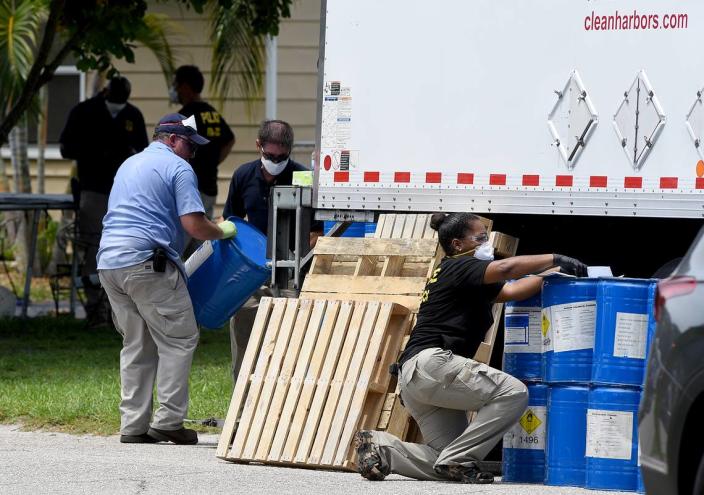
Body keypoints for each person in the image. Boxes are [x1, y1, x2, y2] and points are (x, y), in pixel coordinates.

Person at [354, 212, 588, 484]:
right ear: (457, 244)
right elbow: (506, 269)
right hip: (433, 365)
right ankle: (457, 459)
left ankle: (383, 448)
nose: (486, 243)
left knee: (445, 458)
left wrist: (551, 275)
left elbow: (512, 291)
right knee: (513, 393)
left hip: (417, 378)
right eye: (480, 238)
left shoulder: (465, 277)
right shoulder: (458, 265)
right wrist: (555, 257)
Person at [97, 113, 237, 445]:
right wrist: (221, 231)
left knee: (136, 343)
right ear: (173, 140)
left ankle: (133, 425)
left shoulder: (129, 164)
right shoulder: (178, 167)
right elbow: (194, 225)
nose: (193, 153)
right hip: (148, 263)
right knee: (180, 338)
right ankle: (169, 421)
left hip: (109, 263)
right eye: (190, 146)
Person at [222, 119, 319, 384]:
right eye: (269, 155)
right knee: (244, 335)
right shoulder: (243, 175)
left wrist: (297, 260)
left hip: (291, 271)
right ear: (258, 146)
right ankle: (242, 401)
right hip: (252, 270)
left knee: (289, 340)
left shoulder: (302, 178)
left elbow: (316, 231)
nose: (275, 161)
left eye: (282, 157)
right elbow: (232, 223)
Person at [60, 76, 148, 327]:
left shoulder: (132, 114)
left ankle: (117, 311)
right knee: (94, 248)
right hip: (94, 190)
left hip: (126, 193)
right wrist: (96, 151)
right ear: (106, 91)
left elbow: (142, 151)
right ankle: (94, 307)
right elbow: (66, 148)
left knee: (126, 249)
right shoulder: (85, 111)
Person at [171, 65, 235, 257]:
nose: (174, 89)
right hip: (209, 185)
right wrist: (214, 162)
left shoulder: (186, 116)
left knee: (184, 239)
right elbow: (229, 140)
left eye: (176, 85)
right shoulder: (212, 113)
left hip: (191, 187)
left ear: (185, 87)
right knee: (198, 242)